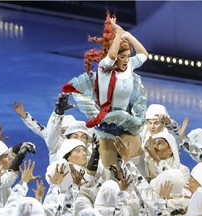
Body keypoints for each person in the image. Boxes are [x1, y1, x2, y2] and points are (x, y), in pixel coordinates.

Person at [61, 13, 148, 170]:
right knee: (111, 170)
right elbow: (112, 55)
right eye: (123, 57)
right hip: (107, 122)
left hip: (127, 120)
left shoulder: (129, 66)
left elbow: (143, 54)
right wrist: (118, 35)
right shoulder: (104, 68)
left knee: (136, 164)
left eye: (128, 56)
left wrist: (128, 35)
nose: (127, 60)